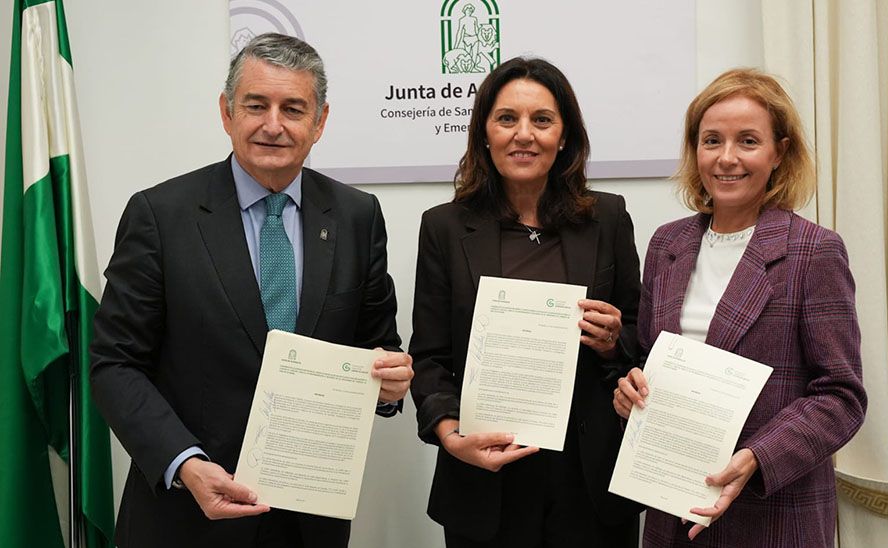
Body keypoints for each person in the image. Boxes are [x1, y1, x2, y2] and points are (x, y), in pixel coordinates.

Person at [90, 33, 413, 548]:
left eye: (293, 108)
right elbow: (112, 362)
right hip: (186, 516)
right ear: (226, 112)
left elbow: (378, 348)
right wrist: (185, 462)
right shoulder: (160, 215)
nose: (273, 125)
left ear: (320, 122)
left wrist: (392, 383)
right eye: (256, 105)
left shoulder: (357, 216)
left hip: (310, 522)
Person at [613, 68, 867, 547]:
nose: (726, 159)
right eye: (712, 141)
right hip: (672, 510)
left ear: (779, 153)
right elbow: (648, 358)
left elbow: (842, 397)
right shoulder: (667, 244)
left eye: (748, 141)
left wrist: (757, 456)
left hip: (772, 514)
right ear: (696, 151)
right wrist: (632, 390)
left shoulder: (815, 252)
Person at [410, 57, 643, 548]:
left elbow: (639, 342)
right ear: (484, 133)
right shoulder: (444, 228)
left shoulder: (609, 217)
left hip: (588, 482)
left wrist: (613, 341)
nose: (524, 134)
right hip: (485, 475)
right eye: (507, 118)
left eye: (542, 120)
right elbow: (430, 357)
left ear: (564, 136)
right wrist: (452, 436)